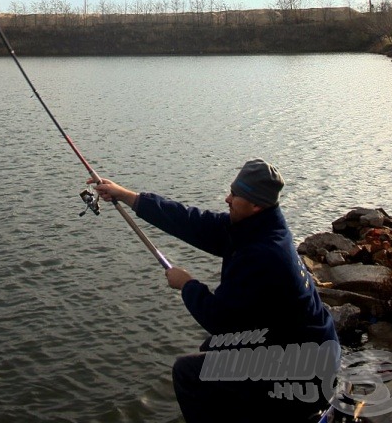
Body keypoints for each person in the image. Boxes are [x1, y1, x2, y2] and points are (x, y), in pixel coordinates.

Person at [90, 158, 340, 423]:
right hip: (302, 348)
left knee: (188, 372)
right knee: (212, 348)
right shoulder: (259, 227)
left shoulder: (262, 254)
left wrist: (187, 285)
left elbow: (219, 320)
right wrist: (128, 196)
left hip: (307, 372)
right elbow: (191, 221)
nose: (227, 198)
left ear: (255, 204)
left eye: (235, 195)